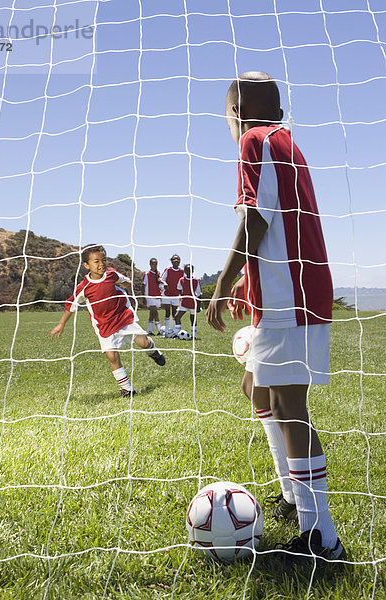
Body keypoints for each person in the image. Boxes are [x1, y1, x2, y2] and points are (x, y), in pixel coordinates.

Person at [207, 72, 346, 565]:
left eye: (225, 115)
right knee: (258, 390)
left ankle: (320, 536)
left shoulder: (253, 139)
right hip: (294, 286)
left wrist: (225, 279)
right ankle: (291, 494)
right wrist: (254, 278)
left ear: (235, 112)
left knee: (288, 405)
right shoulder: (287, 144)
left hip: (293, 294)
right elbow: (281, 219)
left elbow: (257, 218)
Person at [50, 245, 165, 397]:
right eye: (96, 261)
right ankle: (127, 389)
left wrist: (127, 283)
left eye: (104, 260)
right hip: (103, 324)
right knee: (112, 356)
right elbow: (71, 305)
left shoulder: (111, 274)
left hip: (122, 316)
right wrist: (61, 324)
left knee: (143, 342)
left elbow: (123, 280)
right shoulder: (84, 287)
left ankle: (153, 351)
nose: (101, 264)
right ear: (86, 265)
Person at [174, 264, 202, 339]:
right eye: (186, 270)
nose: (188, 271)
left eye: (190, 270)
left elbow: (199, 294)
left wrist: (198, 306)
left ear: (193, 271)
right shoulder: (181, 280)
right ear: (184, 271)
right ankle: (177, 334)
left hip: (193, 303)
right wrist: (182, 296)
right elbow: (179, 288)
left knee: (193, 319)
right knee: (177, 317)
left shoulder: (196, 280)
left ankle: (193, 336)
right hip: (184, 303)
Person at [161, 254, 184, 331]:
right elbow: (161, 279)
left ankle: (174, 331)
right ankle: (167, 331)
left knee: (175, 313)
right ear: (171, 261)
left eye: (177, 259)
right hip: (167, 294)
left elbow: (184, 282)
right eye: (174, 259)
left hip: (176, 295)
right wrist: (164, 284)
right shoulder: (168, 270)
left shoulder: (182, 271)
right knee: (167, 312)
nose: (176, 260)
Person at [143, 258, 164, 335]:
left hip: (157, 295)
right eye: (153, 264)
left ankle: (150, 331)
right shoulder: (146, 274)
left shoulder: (157, 274)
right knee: (155, 312)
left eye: (155, 264)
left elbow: (160, 285)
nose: (154, 265)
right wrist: (144, 297)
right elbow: (143, 285)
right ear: (150, 264)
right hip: (150, 295)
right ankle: (159, 331)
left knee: (152, 314)